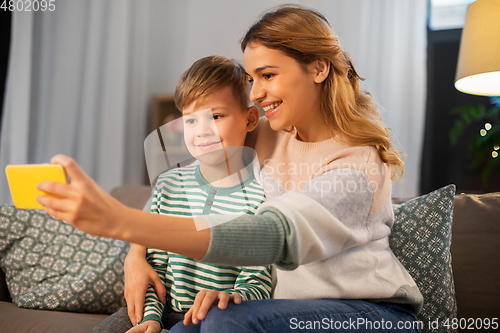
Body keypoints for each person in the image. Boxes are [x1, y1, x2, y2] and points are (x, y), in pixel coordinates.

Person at [38, 5, 423, 332]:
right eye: (253, 78)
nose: (255, 92)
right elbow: (177, 184)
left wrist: (118, 221)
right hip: (285, 310)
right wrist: (135, 255)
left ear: (318, 68)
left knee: (224, 322)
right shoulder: (275, 133)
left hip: (372, 313)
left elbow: (273, 235)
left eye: (268, 75)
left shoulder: (357, 165)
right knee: (197, 320)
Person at [91, 56, 272, 333]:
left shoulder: (262, 197)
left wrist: (233, 301)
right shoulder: (169, 184)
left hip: (214, 318)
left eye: (216, 116)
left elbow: (257, 281)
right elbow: (154, 267)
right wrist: (149, 318)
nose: (203, 131)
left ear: (249, 119)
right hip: (157, 311)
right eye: (191, 120)